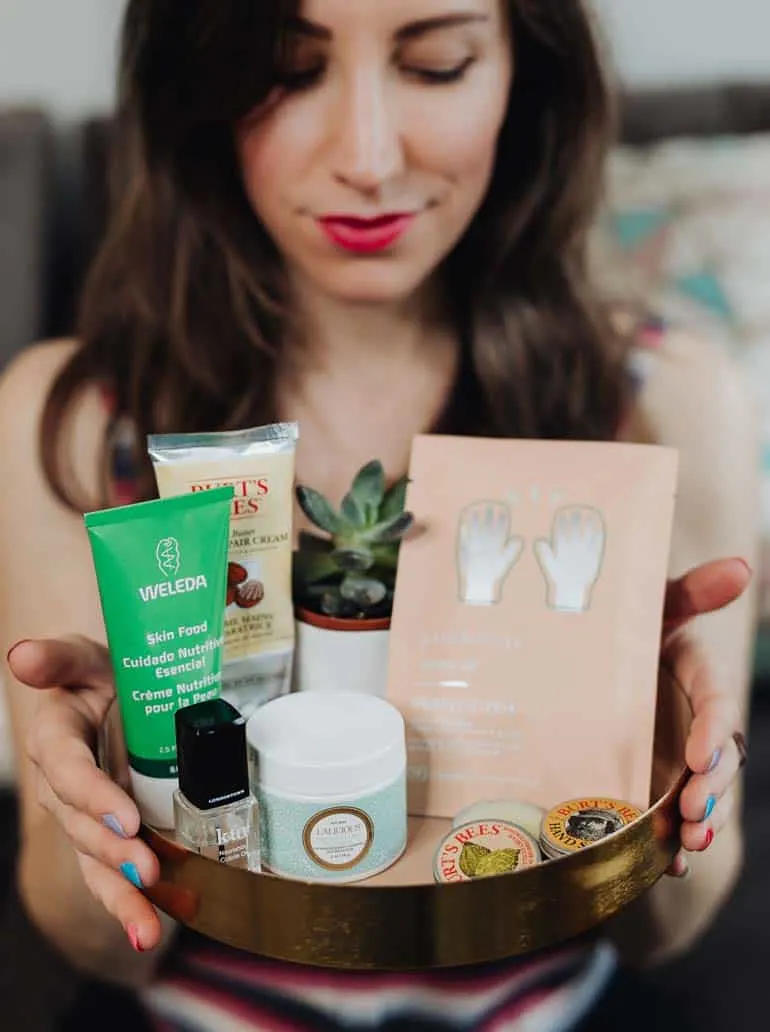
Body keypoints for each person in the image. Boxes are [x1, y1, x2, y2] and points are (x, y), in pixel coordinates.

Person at [0, 1, 759, 1029]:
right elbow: (96, 943)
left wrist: (674, 780)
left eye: (436, 65)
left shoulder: (662, 403)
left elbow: (663, 932)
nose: (365, 156)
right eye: (288, 69)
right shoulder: (78, 423)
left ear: (520, 77)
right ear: (200, 87)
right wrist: (84, 812)